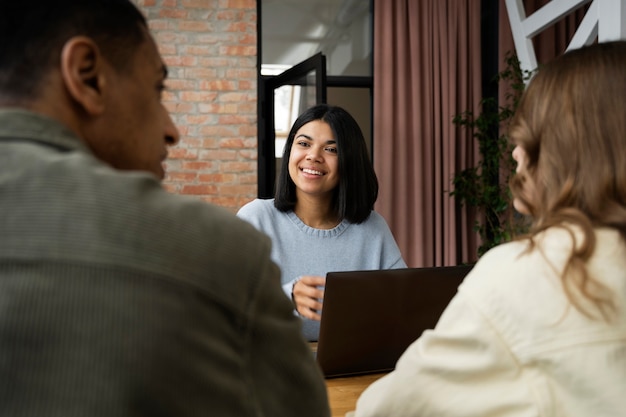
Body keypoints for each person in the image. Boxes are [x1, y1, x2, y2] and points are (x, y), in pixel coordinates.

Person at [0, 1, 330, 416]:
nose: (172, 130)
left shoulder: (371, 225)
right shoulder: (216, 248)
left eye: (331, 149)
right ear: (87, 75)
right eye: (158, 91)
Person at [351, 41, 626, 416]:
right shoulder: (261, 215)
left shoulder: (525, 273)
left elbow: (390, 408)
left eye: (527, 136)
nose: (514, 153)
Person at [238, 104, 406, 341]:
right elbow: (223, 302)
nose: (313, 156)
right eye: (304, 144)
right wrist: (288, 297)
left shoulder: (372, 227)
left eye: (331, 149)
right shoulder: (256, 218)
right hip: (271, 366)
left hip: (353, 365)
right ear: (290, 151)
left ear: (350, 161)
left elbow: (404, 303)